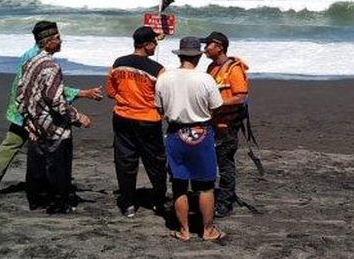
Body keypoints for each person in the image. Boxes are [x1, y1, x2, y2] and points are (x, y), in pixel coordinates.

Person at [0, 44, 102, 197]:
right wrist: (81, 95)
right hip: (34, 113)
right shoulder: (39, 59)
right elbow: (50, 90)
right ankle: (47, 190)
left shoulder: (32, 55)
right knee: (46, 148)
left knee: (12, 146)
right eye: (57, 38)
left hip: (22, 109)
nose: (60, 41)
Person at [16, 21, 92, 214]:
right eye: (58, 38)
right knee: (58, 165)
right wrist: (78, 117)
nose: (61, 41)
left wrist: (27, 119)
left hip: (34, 122)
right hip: (52, 125)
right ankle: (58, 203)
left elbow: (20, 93)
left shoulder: (29, 62)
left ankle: (36, 201)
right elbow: (56, 102)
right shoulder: (51, 67)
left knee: (36, 164)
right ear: (48, 42)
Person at [155, 36, 226, 242]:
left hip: (176, 133)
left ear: (180, 55)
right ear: (198, 56)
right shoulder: (205, 79)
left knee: (179, 184)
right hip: (201, 133)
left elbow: (159, 109)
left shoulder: (164, 78)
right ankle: (208, 230)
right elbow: (217, 107)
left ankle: (184, 230)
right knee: (205, 185)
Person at [105, 26, 167, 217]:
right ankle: (158, 201)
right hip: (148, 120)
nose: (156, 45)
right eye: (154, 42)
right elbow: (163, 97)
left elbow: (110, 92)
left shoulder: (118, 63)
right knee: (155, 162)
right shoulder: (158, 70)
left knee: (125, 162)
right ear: (146, 44)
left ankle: (128, 203)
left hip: (122, 118)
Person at [201, 31, 249, 218]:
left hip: (227, 125)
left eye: (208, 45)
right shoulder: (212, 67)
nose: (205, 49)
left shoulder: (234, 69)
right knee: (212, 162)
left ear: (219, 47)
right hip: (213, 122)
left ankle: (225, 203)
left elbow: (241, 97)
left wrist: (219, 104)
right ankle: (216, 198)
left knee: (225, 163)